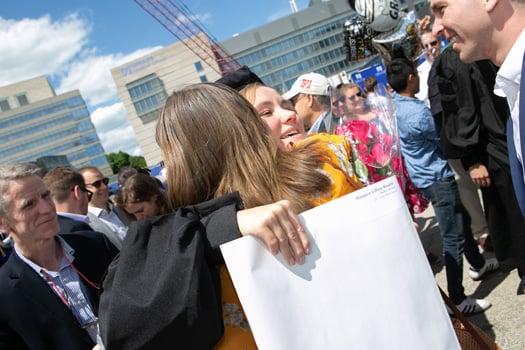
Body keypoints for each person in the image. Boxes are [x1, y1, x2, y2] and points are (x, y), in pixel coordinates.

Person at [99, 82, 361, 349]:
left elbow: (120, 330)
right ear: (248, 123)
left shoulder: (189, 252)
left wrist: (216, 227)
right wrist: (225, 223)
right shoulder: (324, 168)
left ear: (182, 160)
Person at [386, 57, 498, 314]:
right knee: (453, 237)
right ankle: (457, 299)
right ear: (412, 78)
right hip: (437, 177)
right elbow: (443, 138)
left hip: (425, 176)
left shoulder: (397, 106)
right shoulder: (416, 113)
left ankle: (479, 264)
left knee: (460, 219)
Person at [430, 0, 525, 294]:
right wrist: (472, 158)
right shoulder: (509, 84)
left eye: (442, 9)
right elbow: (458, 110)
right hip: (492, 152)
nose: (436, 27)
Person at [0, 163, 118, 349]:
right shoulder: (4, 295)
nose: (47, 208)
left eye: (46, 196)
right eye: (29, 204)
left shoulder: (96, 246)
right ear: (3, 223)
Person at [78, 166, 128, 250]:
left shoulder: (122, 210)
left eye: (105, 181)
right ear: (83, 190)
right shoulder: (86, 226)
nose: (104, 187)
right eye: (96, 184)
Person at [43, 167, 95, 233]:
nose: (88, 200)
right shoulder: (81, 231)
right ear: (77, 192)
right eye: (88, 195)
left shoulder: (47, 232)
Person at [415, 30, 442, 106]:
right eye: (425, 46)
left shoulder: (451, 61)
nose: (430, 48)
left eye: (433, 43)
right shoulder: (418, 72)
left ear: (440, 43)